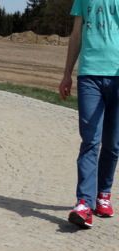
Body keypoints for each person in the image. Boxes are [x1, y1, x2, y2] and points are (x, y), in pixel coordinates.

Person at [59, 0, 119, 229]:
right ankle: (84, 203)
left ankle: (103, 194)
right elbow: (76, 35)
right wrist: (67, 74)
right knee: (90, 140)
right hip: (89, 76)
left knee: (113, 144)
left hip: (117, 75)